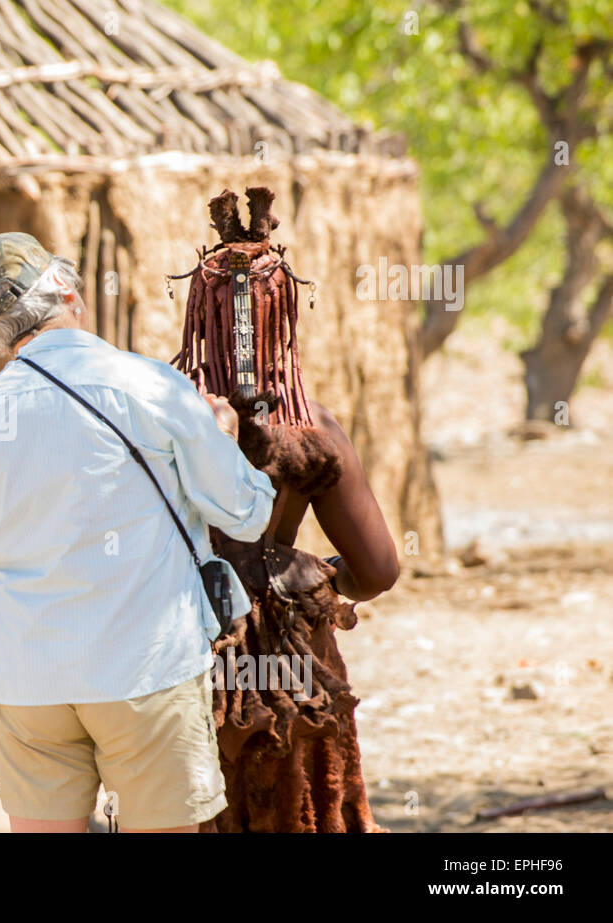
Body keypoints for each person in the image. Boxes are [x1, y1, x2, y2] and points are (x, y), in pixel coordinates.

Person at [0, 232, 276, 833]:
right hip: (143, 667)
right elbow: (248, 514)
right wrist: (224, 437)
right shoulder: (152, 386)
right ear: (68, 292)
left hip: (25, 676)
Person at [171, 187, 399, 832]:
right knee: (298, 808)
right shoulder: (312, 426)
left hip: (178, 646)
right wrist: (310, 579)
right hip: (295, 663)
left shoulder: (157, 415)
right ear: (287, 314)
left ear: (198, 313)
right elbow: (378, 570)